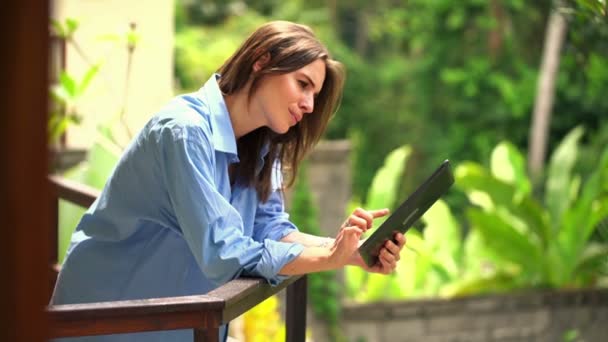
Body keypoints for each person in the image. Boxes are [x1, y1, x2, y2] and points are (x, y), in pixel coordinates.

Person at [51, 20, 406, 341]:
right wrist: (329, 256)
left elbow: (271, 229)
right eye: (303, 84)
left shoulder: (262, 145)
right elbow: (225, 253)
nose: (310, 105)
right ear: (261, 62)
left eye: (314, 93)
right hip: (100, 323)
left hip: (174, 327)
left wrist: (349, 250)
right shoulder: (183, 133)